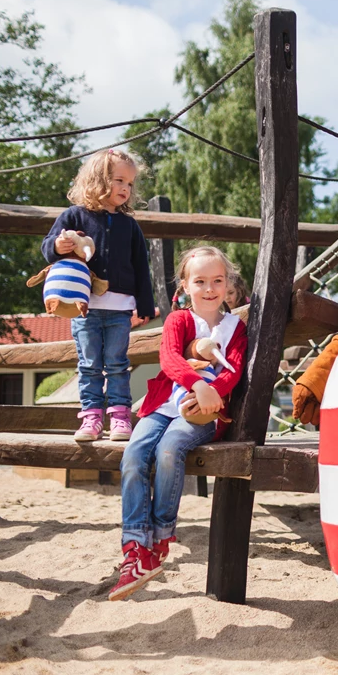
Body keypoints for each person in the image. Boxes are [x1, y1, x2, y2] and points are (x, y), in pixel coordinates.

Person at [109, 245, 248, 601]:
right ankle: (135, 548)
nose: (209, 288)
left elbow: (233, 370)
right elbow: (170, 359)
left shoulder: (236, 328)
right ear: (185, 285)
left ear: (227, 282)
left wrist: (211, 392)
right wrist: (198, 383)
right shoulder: (178, 320)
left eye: (217, 280)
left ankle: (158, 540)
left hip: (204, 413)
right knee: (135, 456)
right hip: (163, 404)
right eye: (200, 281)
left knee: (171, 450)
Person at [42, 149, 156, 442]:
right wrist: (58, 246)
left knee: (117, 362)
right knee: (89, 363)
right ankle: (91, 418)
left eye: (129, 184)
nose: (125, 189)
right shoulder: (73, 216)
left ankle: (119, 418)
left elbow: (142, 266)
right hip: (83, 306)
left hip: (120, 308)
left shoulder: (130, 226)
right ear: (98, 179)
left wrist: (144, 302)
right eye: (119, 180)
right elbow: (47, 248)